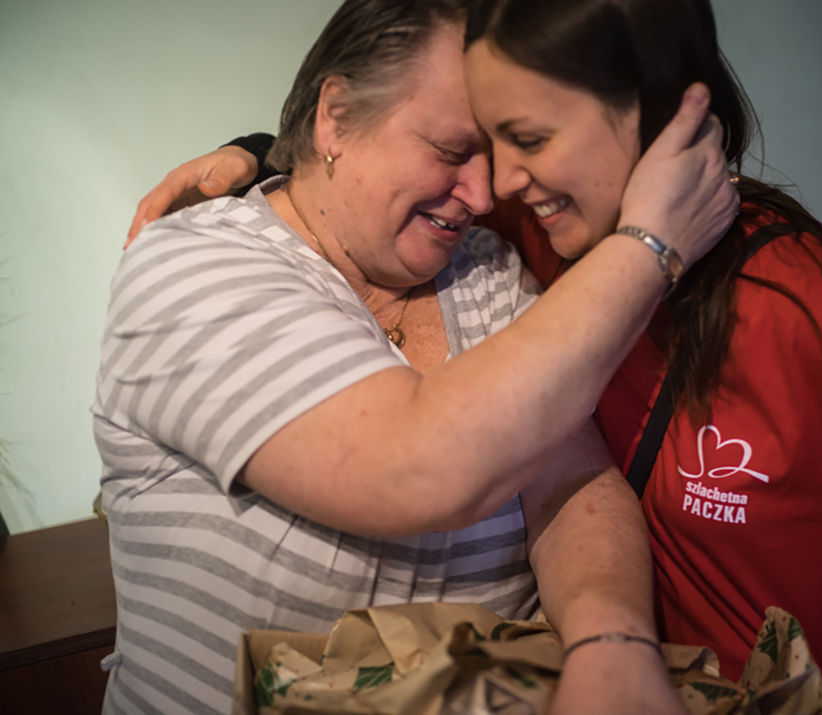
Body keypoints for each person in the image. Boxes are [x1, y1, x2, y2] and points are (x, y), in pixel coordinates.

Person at [129, 0, 822, 711]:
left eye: (522, 139)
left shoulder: (814, 312)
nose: (494, 184)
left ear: (656, 121)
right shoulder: (547, 235)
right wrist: (254, 153)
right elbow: (368, 179)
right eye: (486, 144)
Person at [96, 1, 739, 713]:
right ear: (335, 117)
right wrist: (650, 244)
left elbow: (570, 478)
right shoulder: (192, 263)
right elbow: (412, 466)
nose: (485, 192)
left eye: (495, 151)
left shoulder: (490, 269)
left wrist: (611, 646)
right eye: (452, 149)